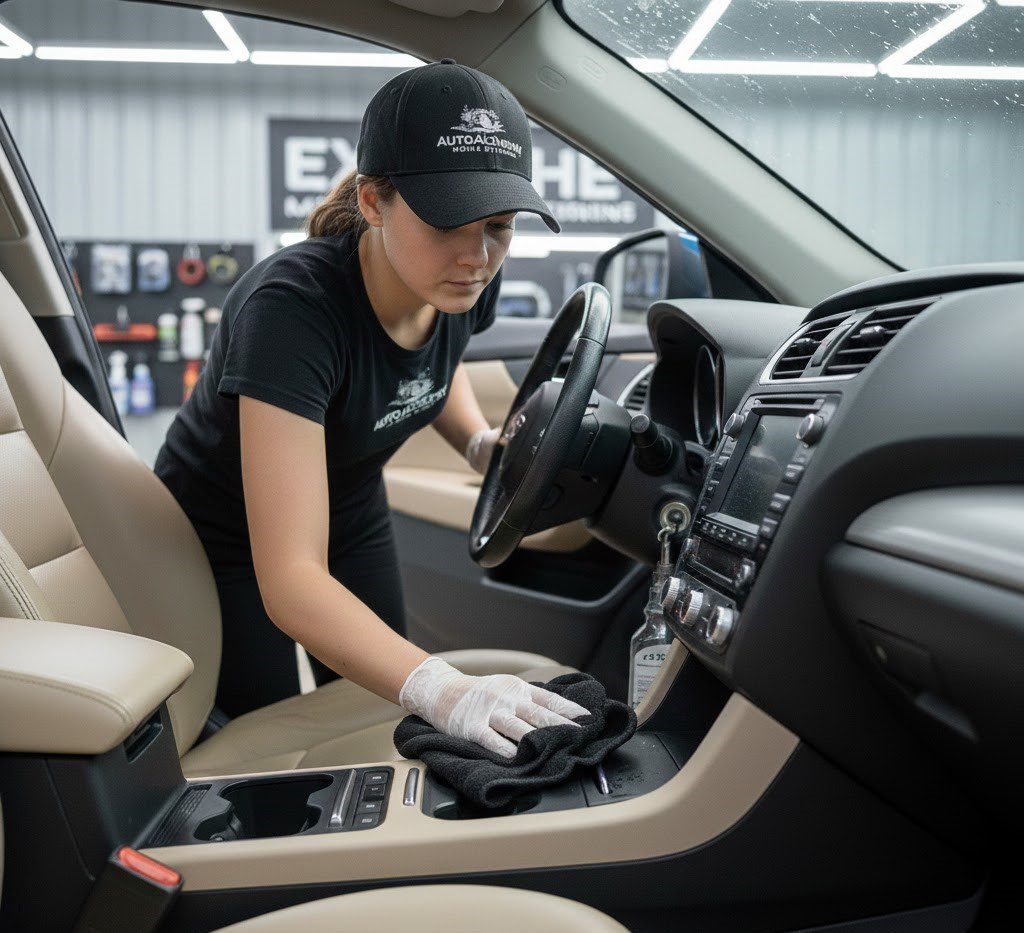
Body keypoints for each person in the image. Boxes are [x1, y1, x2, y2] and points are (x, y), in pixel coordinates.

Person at [153, 59, 589, 758]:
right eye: (451, 222)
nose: (478, 255)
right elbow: (292, 578)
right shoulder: (292, 311)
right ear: (372, 200)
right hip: (220, 534)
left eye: (501, 226)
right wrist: (446, 687)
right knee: (267, 737)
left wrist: (479, 444)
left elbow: (433, 367)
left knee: (376, 706)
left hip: (352, 504)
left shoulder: (461, 279)